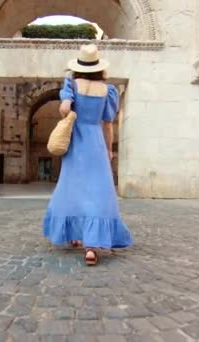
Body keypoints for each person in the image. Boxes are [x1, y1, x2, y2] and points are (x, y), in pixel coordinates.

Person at [43, 44, 134, 266]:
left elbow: (64, 110)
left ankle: (74, 234)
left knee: (72, 186)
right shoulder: (108, 90)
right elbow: (108, 124)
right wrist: (109, 149)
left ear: (78, 67)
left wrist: (69, 102)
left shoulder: (71, 84)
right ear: (99, 68)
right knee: (98, 190)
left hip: (76, 141)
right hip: (96, 143)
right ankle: (91, 247)